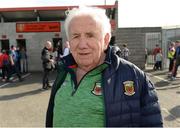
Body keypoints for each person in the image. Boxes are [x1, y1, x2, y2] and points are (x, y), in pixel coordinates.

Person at [46, 6, 163, 127]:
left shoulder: (135, 77)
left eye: (90, 35)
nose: (82, 45)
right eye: (75, 36)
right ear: (69, 41)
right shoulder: (63, 71)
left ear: (106, 40)